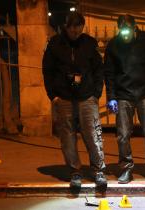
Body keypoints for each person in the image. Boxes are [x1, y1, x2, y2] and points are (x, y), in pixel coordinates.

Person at [42, 12, 107, 190]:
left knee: (93, 134)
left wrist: (96, 93)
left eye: (79, 28)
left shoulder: (89, 43)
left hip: (87, 97)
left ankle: (98, 170)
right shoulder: (55, 44)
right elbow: (47, 70)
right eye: (73, 28)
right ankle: (75, 171)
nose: (76, 32)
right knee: (68, 137)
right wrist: (52, 95)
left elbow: (98, 70)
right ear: (66, 27)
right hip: (64, 97)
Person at [104, 14, 145, 184]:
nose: (125, 36)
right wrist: (111, 97)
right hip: (123, 94)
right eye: (122, 32)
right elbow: (109, 73)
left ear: (135, 27)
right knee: (123, 134)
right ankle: (126, 168)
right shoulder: (113, 45)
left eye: (127, 31)